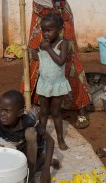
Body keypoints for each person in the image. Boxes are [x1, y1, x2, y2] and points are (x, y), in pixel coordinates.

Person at [10, 0, 92, 129]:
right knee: (36, 54)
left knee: (67, 59)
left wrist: (56, 6)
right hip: (40, 13)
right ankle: (38, 102)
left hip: (56, 15)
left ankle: (81, 108)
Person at [36, 12, 71, 150]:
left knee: (55, 112)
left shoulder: (63, 44)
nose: (45, 34)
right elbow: (39, 57)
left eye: (49, 30)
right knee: (43, 113)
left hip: (57, 85)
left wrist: (48, 49)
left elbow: (60, 61)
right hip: (44, 83)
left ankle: (60, 139)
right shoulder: (43, 44)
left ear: (60, 30)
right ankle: (41, 138)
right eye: (43, 30)